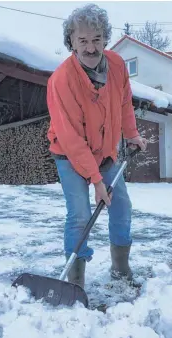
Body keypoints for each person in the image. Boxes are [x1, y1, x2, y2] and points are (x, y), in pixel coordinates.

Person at [46, 3, 147, 289]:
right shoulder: (62, 80)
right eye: (83, 41)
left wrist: (132, 133)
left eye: (97, 39)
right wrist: (96, 181)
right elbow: (72, 138)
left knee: (122, 205)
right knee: (79, 214)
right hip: (69, 155)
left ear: (105, 38)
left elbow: (125, 101)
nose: (91, 48)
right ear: (71, 43)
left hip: (105, 152)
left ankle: (120, 267)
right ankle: (75, 282)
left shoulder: (116, 65)